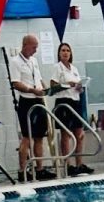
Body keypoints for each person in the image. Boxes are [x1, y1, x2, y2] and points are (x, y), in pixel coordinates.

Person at [8, 34, 52, 181]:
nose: (35, 50)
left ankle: (39, 169)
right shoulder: (15, 62)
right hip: (27, 102)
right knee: (27, 138)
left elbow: (38, 79)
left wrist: (47, 89)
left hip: (39, 101)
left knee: (40, 137)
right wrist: (32, 90)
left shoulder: (34, 61)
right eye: (34, 47)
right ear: (25, 45)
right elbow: (16, 83)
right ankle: (22, 171)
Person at [51, 43, 92, 176]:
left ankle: (79, 164)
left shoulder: (74, 68)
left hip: (75, 101)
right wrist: (67, 84)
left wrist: (80, 86)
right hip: (64, 102)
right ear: (59, 53)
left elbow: (78, 87)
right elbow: (53, 86)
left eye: (68, 50)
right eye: (63, 50)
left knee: (80, 134)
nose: (65, 53)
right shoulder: (57, 68)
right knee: (66, 135)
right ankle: (67, 164)